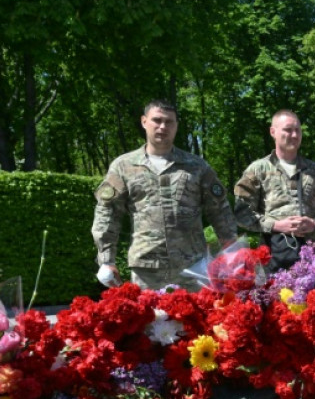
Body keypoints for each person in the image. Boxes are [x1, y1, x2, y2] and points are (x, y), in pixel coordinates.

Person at [91, 100, 237, 291]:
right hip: (147, 270)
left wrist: (233, 252)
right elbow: (107, 214)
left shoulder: (196, 166)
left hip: (193, 267)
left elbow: (220, 211)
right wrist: (106, 260)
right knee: (150, 320)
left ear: (176, 125)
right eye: (156, 120)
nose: (162, 127)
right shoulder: (124, 166)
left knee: (196, 320)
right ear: (144, 122)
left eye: (169, 122)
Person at [234, 109, 315, 271]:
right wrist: (275, 225)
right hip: (271, 257)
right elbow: (241, 213)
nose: (294, 135)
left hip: (313, 260)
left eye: (297, 130)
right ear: (273, 132)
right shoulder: (257, 170)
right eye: (288, 129)